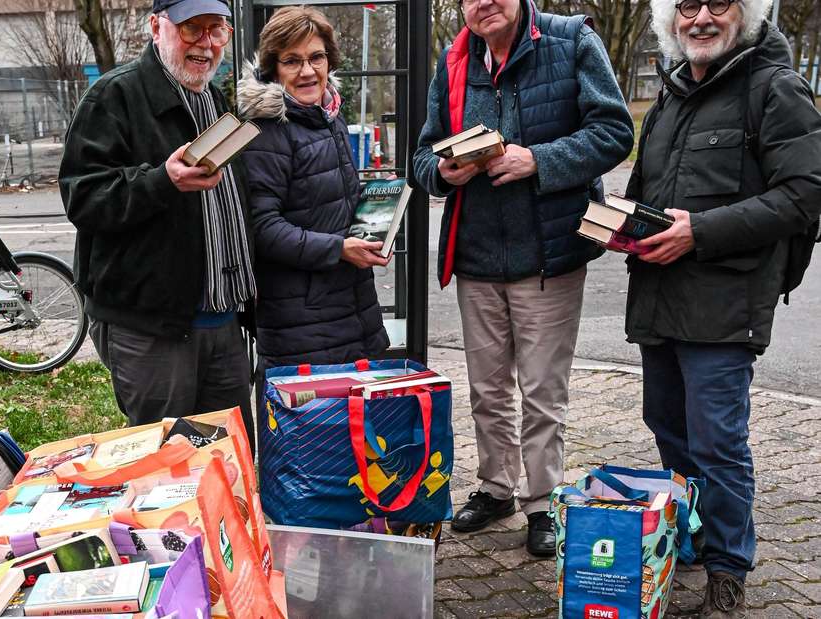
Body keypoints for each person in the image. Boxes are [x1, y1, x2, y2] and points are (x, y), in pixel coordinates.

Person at [412, 0, 633, 556]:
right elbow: (421, 156)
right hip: (477, 257)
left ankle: (542, 502)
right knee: (487, 390)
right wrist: (442, 171)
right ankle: (496, 488)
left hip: (548, 256)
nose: (484, 3)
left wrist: (538, 160)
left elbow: (614, 132)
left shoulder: (571, 41)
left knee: (541, 393)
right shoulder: (454, 60)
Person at [627, 0, 821, 614]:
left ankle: (728, 572)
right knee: (667, 427)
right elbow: (646, 190)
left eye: (720, 3)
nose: (702, 18)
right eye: (688, 6)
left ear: (749, 14)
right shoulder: (670, 93)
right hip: (658, 296)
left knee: (716, 444)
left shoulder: (775, 88)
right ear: (670, 19)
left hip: (726, 302)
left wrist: (699, 232)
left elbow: (805, 194)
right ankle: (691, 538)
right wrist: (621, 226)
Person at [59, 0, 258, 444]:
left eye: (216, 30)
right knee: (165, 462)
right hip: (152, 330)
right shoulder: (115, 96)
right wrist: (161, 182)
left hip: (223, 324)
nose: (205, 44)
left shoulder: (213, 98)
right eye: (191, 29)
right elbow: (82, 197)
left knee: (225, 458)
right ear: (156, 27)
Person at [236, 5, 390, 431]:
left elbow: (329, 204)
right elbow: (262, 229)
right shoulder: (266, 132)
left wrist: (377, 216)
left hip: (353, 311)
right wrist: (338, 248)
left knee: (357, 444)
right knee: (311, 446)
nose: (307, 71)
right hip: (301, 326)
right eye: (292, 61)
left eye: (316, 57)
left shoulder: (328, 117)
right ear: (273, 69)